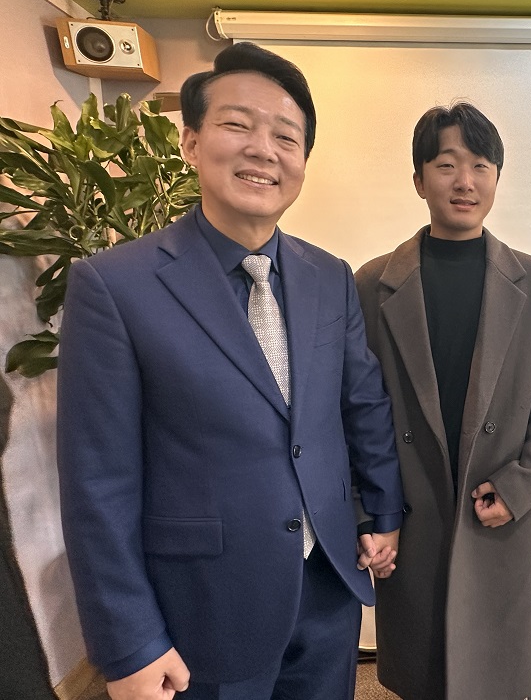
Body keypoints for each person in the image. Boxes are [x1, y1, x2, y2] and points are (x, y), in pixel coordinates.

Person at [57, 42, 404, 700]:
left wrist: (382, 510)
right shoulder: (114, 285)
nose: (263, 149)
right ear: (191, 143)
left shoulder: (329, 275)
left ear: (303, 161)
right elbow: (97, 482)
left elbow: (361, 405)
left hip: (326, 588)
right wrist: (129, 643)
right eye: (237, 125)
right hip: (204, 604)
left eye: (286, 136)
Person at [355, 102, 531, 700]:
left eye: (480, 165)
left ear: (497, 177)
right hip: (410, 509)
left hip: (494, 504)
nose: (465, 181)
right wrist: (371, 513)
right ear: (419, 179)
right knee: (422, 666)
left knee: (494, 669)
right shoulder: (372, 282)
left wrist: (522, 484)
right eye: (446, 165)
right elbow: (356, 405)